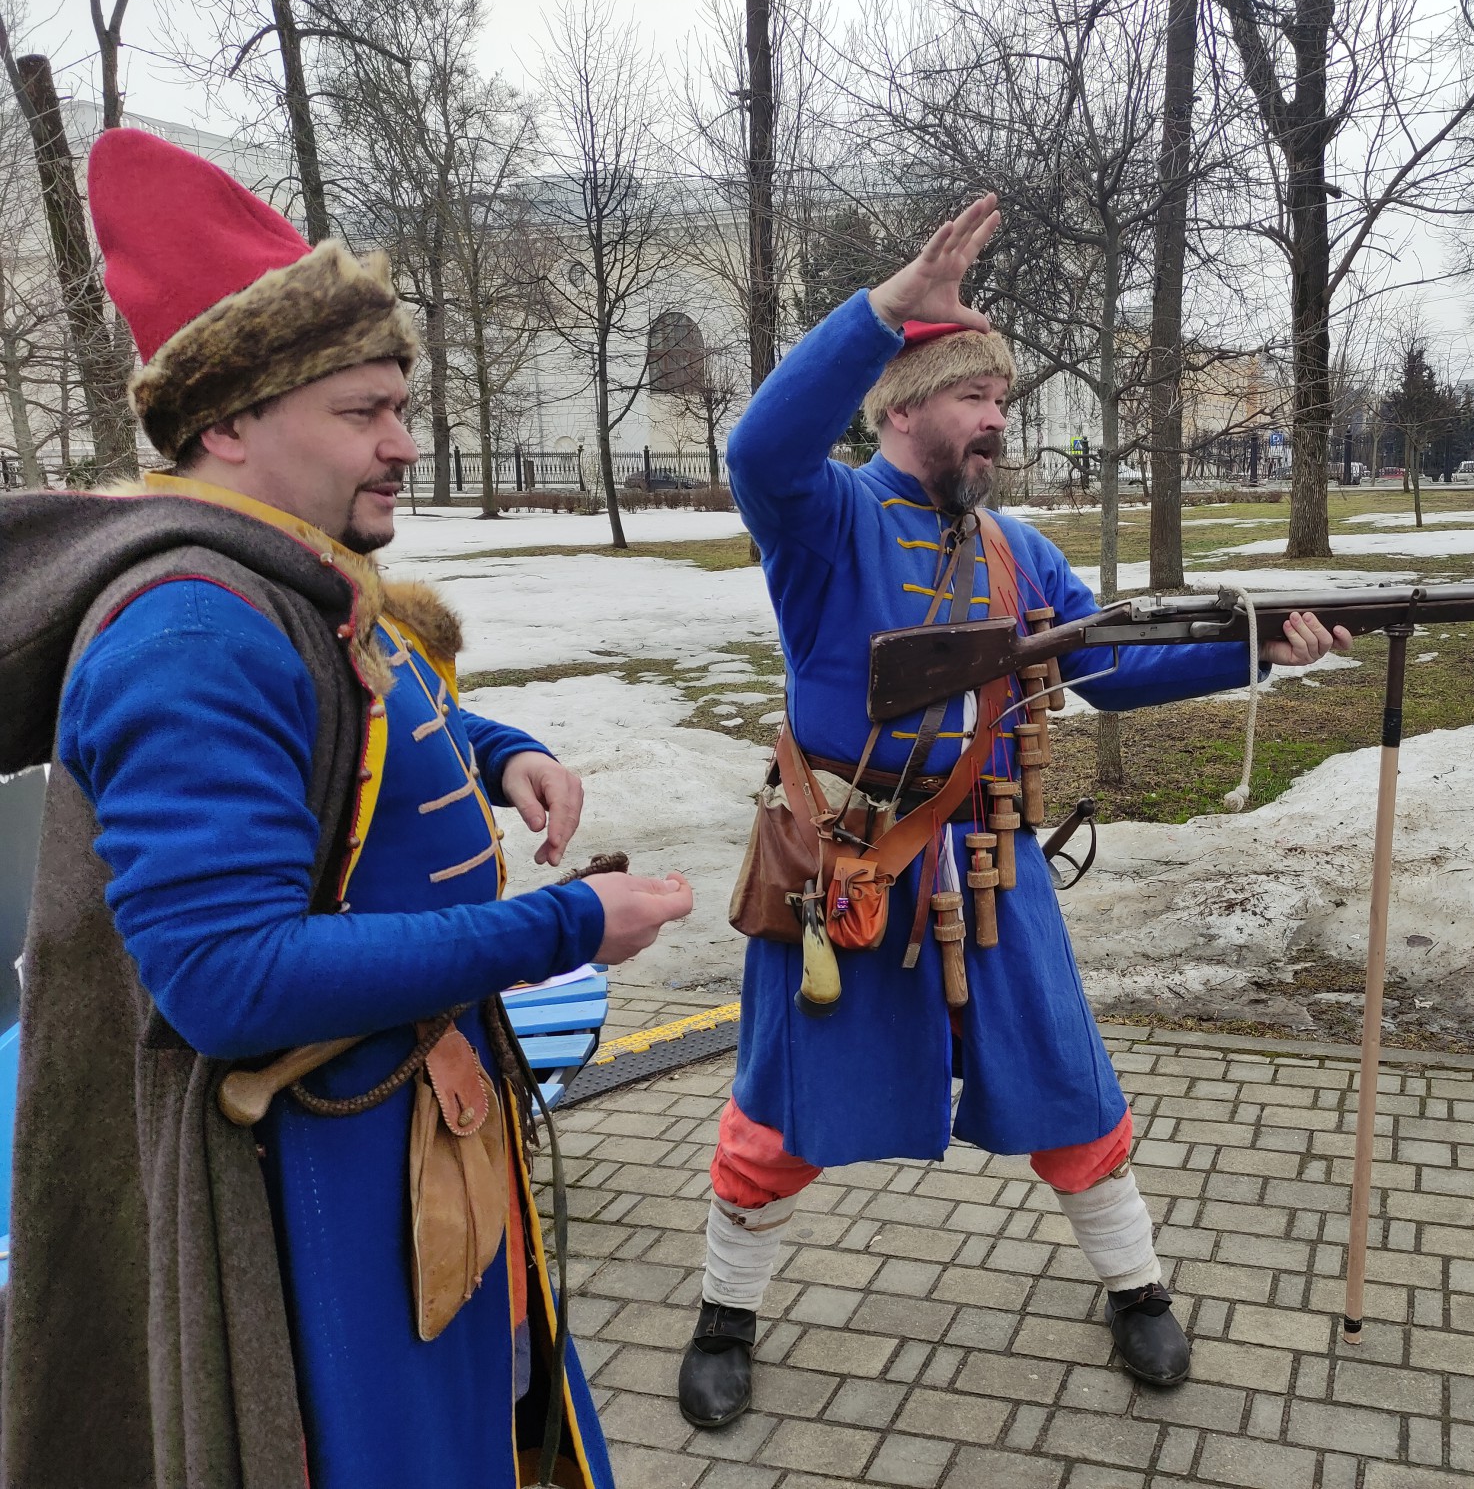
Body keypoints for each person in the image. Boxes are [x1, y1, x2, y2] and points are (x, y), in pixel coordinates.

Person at [0, 128, 689, 1489]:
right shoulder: (192, 627)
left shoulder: (286, 577)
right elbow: (228, 980)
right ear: (229, 420)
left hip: (396, 1127)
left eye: (399, 404)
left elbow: (350, 704)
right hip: (311, 1190)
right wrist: (562, 924)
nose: (404, 442)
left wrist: (496, 750)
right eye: (363, 409)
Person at [676, 194, 1346, 1427]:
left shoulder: (1016, 551)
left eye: (1003, 403)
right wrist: (883, 312)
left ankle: (1134, 1283)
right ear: (899, 402)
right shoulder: (822, 519)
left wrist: (1256, 646)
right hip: (849, 863)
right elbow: (760, 447)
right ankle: (725, 1307)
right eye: (973, 396)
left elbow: (1107, 664)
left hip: (988, 859)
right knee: (782, 1107)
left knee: (1065, 1084)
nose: (995, 420)